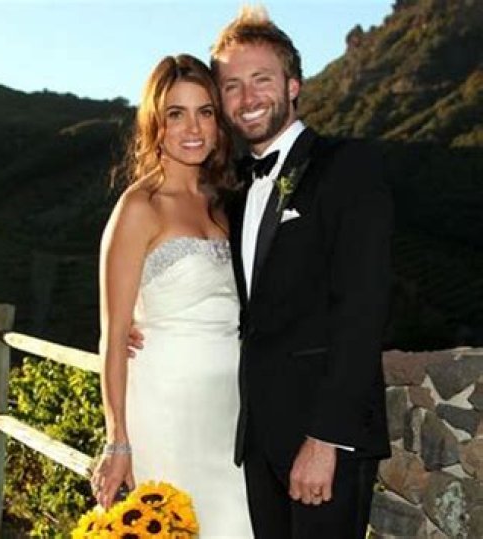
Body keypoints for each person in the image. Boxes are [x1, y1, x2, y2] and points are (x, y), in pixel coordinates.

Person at [211, 6, 392, 538]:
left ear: (293, 86)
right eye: (232, 85)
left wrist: (326, 437)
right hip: (258, 441)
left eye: (261, 79)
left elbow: (363, 308)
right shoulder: (235, 192)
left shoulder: (348, 166)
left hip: (323, 442)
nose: (247, 97)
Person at [90, 53, 255, 537]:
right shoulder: (139, 208)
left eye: (205, 112)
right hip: (165, 407)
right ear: (154, 123)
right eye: (176, 114)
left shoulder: (225, 203)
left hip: (232, 409)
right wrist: (118, 440)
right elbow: (113, 336)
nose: (194, 128)